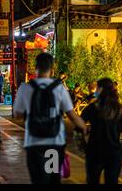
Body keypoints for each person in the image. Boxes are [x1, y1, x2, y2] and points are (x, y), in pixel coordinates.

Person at [14, 53, 87, 184]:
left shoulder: (25, 88)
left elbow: (18, 114)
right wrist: (83, 127)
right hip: (54, 143)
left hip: (34, 143)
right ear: (52, 69)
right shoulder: (59, 88)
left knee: (39, 180)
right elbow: (71, 115)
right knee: (52, 179)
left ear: (35, 68)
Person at [81, 78, 122, 184]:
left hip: (94, 151)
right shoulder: (118, 109)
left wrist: (83, 145)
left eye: (97, 88)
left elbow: (79, 125)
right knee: (112, 181)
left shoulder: (93, 107)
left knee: (92, 180)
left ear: (101, 89)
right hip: (113, 152)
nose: (95, 90)